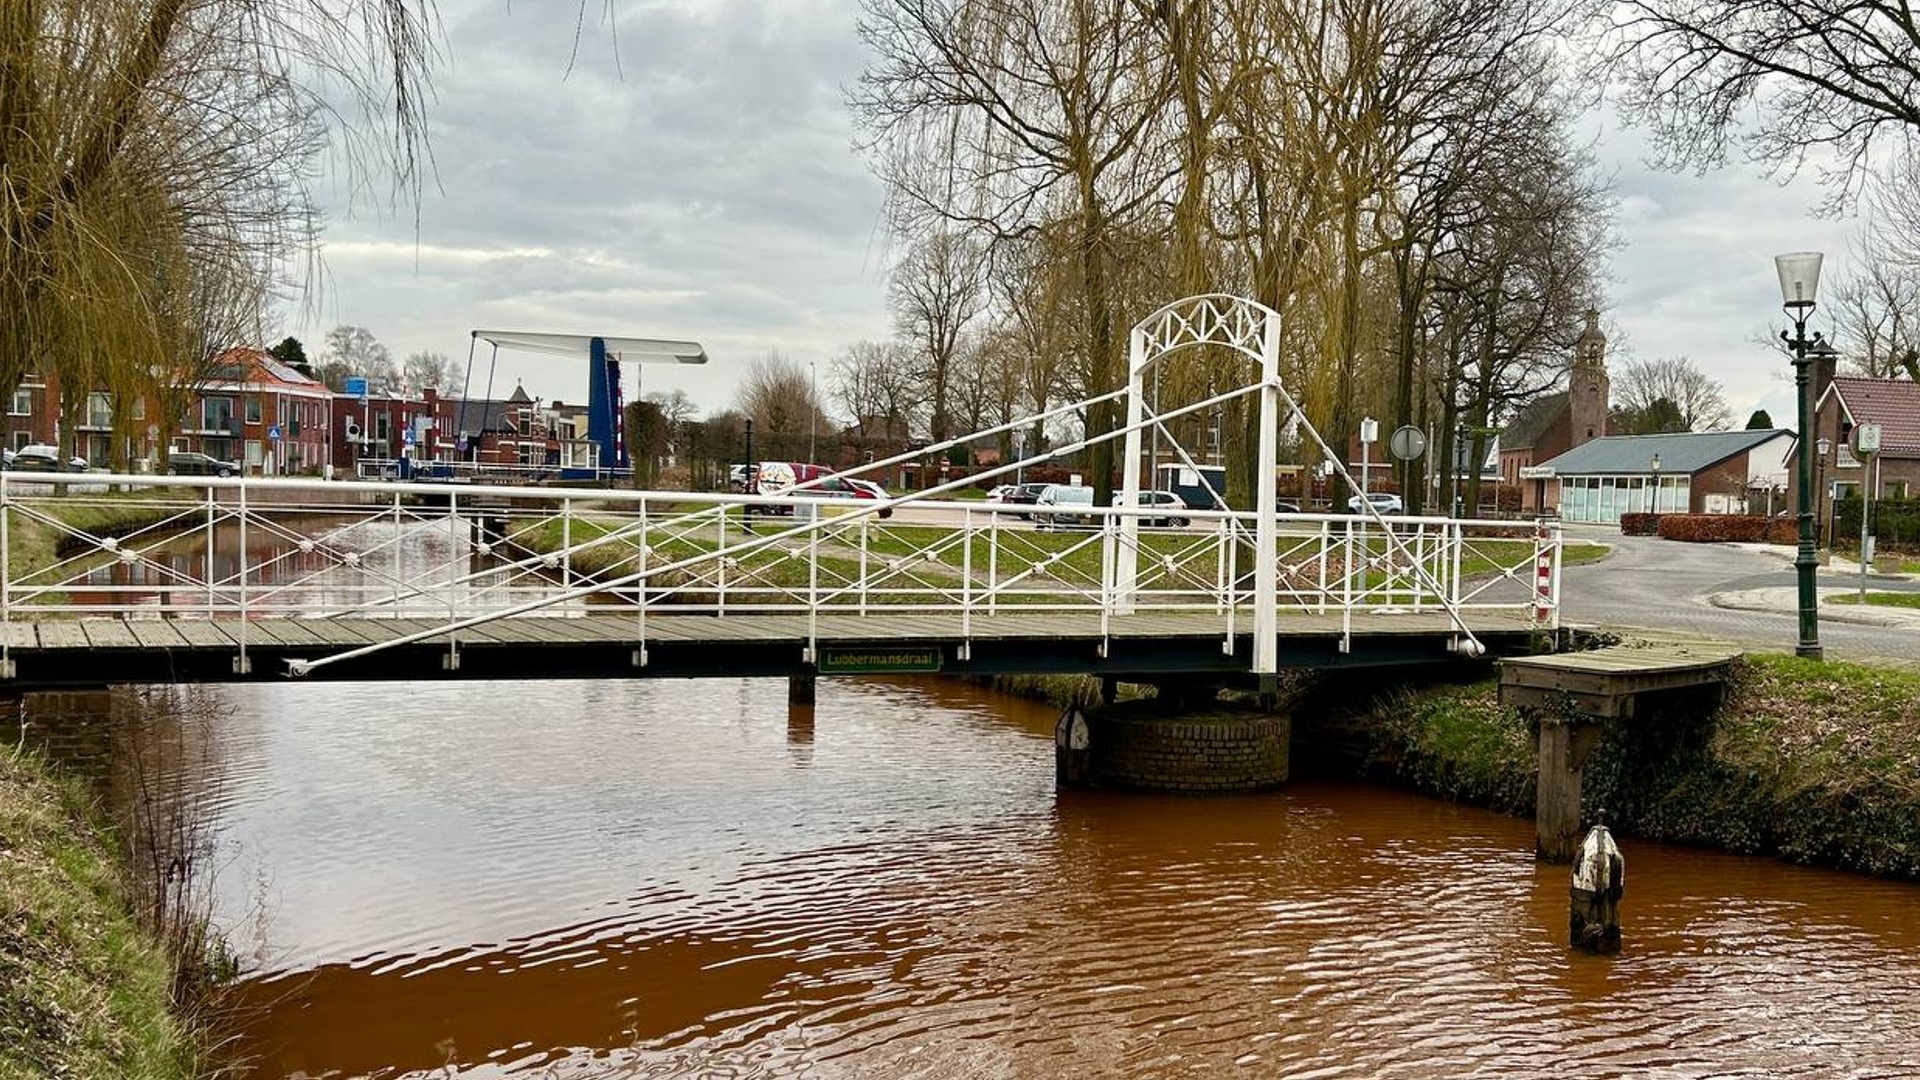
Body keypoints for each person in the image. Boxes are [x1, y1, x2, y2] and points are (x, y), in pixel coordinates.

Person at [1570, 809, 1624, 953]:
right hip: (1593, 894)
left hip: (1593, 893)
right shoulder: (1610, 852)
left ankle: (1588, 947)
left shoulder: (1593, 849)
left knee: (1592, 927)